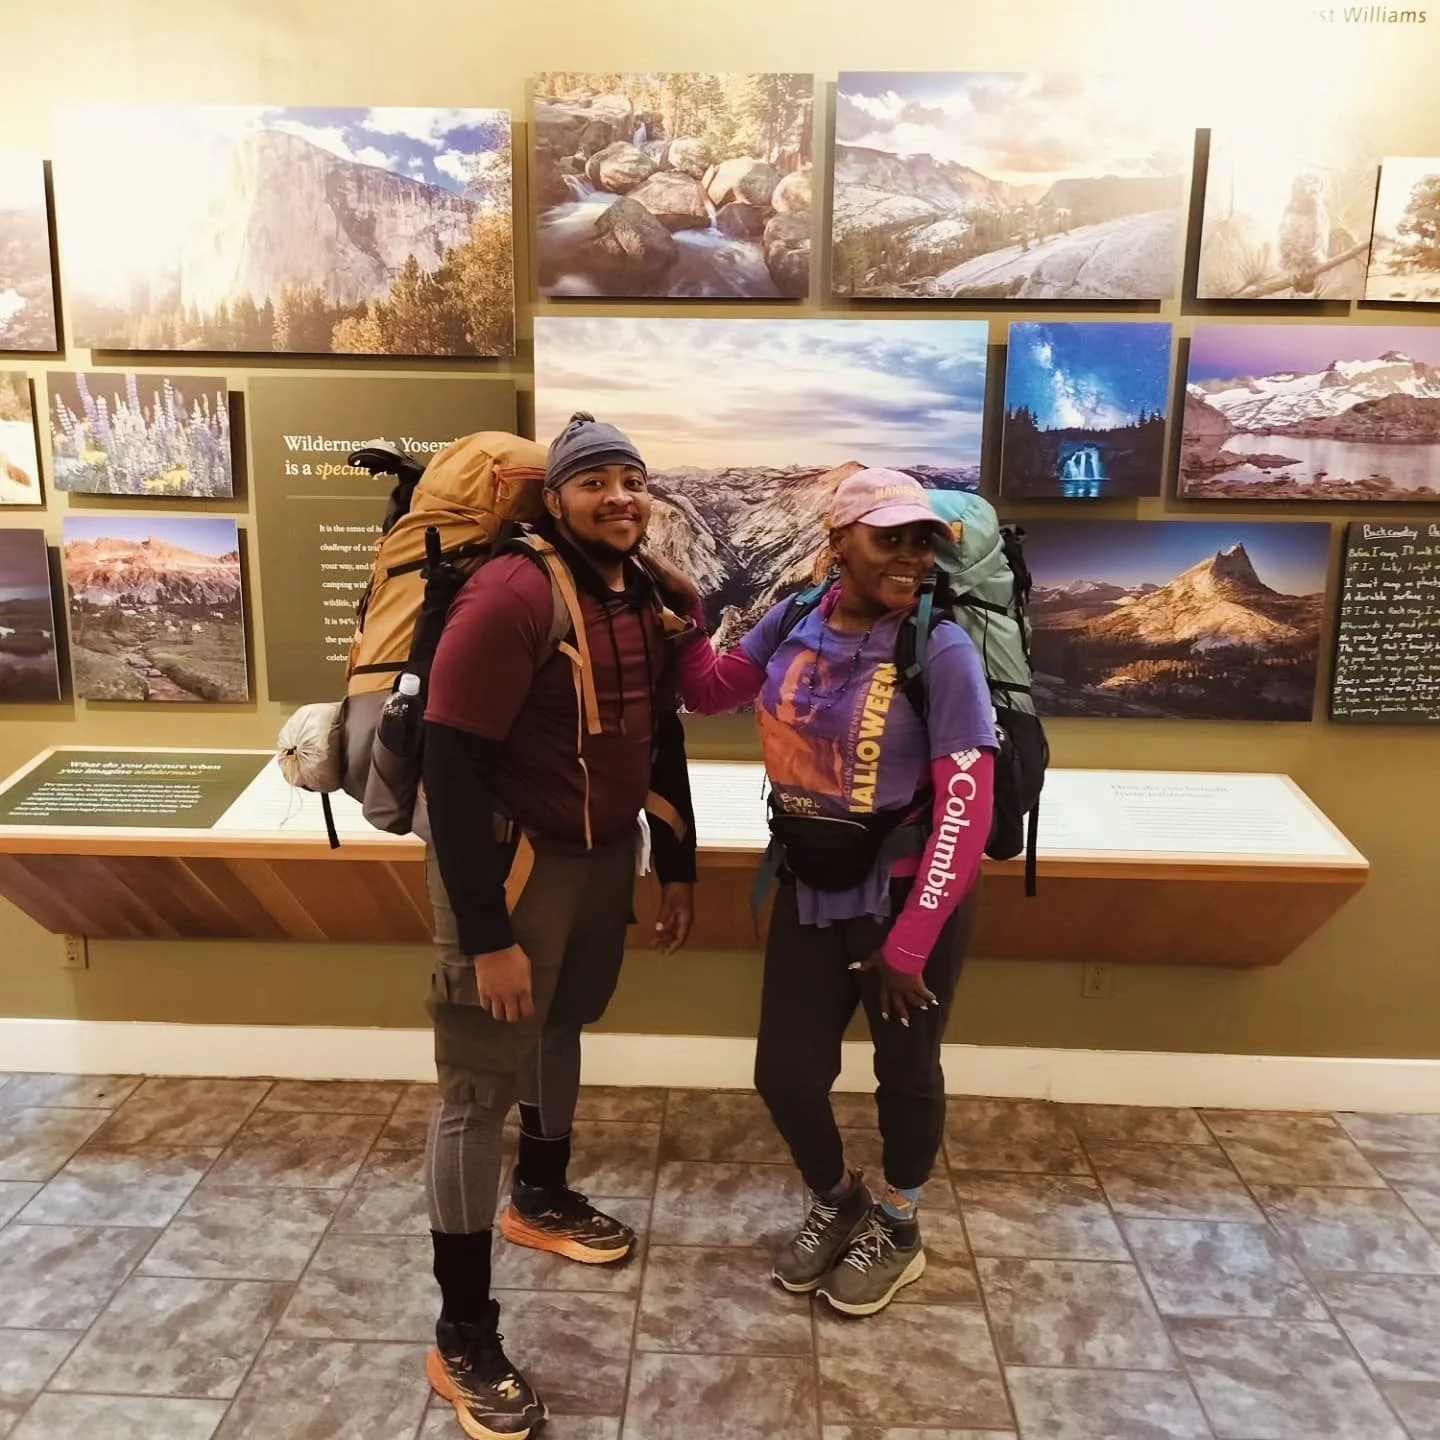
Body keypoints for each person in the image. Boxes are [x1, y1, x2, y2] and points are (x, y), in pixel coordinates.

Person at [662, 467, 996, 1317]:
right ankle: (838, 1196)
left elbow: (966, 809)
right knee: (785, 1073)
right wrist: (688, 612)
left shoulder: (942, 649)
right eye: (891, 538)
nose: (912, 557)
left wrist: (910, 943)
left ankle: (899, 1223)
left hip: (906, 900)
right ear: (838, 541)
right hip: (812, 890)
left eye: (923, 541)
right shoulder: (792, 620)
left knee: (906, 1074)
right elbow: (707, 693)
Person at [420, 413, 697, 1438]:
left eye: (631, 477)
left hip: (597, 859)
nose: (619, 496)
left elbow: (654, 737)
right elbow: (448, 766)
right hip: (509, 868)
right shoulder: (513, 592)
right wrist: (486, 936)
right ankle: (462, 1333)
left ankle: (539, 1196)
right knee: (474, 1090)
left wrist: (676, 866)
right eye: (595, 482)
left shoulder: (640, 595)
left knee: (562, 1026)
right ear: (556, 497)